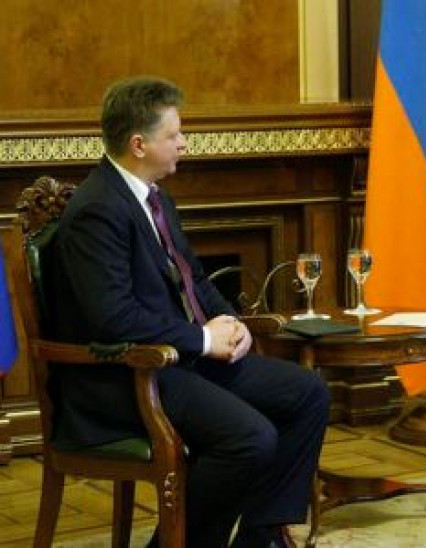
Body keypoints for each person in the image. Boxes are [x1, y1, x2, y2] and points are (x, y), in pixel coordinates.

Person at [50, 76, 330, 548]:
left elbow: (193, 278)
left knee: (308, 393)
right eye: (174, 134)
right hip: (125, 375)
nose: (184, 142)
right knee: (250, 438)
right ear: (139, 144)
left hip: (178, 360)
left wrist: (231, 324)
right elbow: (112, 318)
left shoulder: (155, 197)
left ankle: (261, 536)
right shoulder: (97, 210)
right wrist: (202, 340)